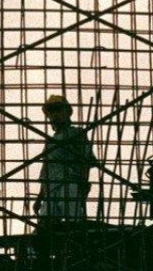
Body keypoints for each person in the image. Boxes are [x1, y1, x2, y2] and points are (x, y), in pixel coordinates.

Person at [35, 94, 95, 222]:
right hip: (51, 188)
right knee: (45, 226)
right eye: (51, 112)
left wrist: (83, 184)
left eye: (58, 110)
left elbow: (86, 160)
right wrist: (40, 197)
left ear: (67, 113)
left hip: (69, 183)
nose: (54, 115)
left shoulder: (76, 133)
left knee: (72, 222)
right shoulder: (50, 141)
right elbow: (46, 170)